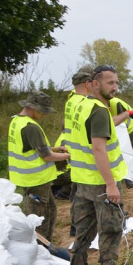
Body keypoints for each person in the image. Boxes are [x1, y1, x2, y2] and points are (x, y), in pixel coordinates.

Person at [67, 65, 128, 265]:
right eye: (110, 83)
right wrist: (111, 185)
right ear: (94, 84)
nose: (115, 88)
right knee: (111, 231)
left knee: (83, 233)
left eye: (116, 82)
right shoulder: (98, 111)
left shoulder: (77, 104)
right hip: (101, 183)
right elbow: (99, 149)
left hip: (82, 182)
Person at [7, 91, 71, 241]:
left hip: (31, 179)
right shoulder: (31, 127)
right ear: (33, 108)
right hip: (36, 180)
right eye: (43, 111)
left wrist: (56, 149)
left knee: (51, 211)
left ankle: (44, 246)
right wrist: (69, 156)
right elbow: (46, 156)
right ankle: (40, 250)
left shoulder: (16, 121)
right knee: (41, 220)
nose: (44, 115)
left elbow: (31, 149)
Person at [52, 66, 93, 202]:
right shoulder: (84, 101)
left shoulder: (71, 100)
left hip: (64, 168)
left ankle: (63, 191)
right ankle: (64, 192)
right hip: (69, 170)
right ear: (88, 82)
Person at [108, 94, 133, 188]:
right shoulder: (111, 102)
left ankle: (129, 178)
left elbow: (120, 120)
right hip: (121, 129)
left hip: (129, 129)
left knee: (126, 152)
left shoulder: (115, 103)